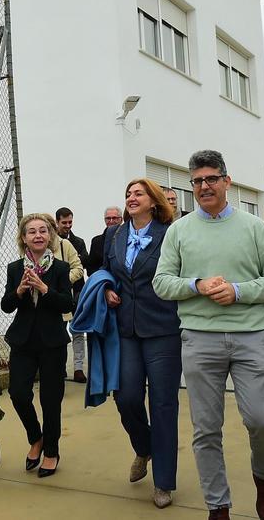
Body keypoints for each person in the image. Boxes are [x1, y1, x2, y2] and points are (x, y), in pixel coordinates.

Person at [153, 150, 264, 520]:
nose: (204, 186)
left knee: (263, 420)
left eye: (211, 178)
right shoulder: (179, 231)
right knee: (206, 428)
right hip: (199, 339)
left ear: (227, 181)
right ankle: (218, 505)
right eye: (197, 180)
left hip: (251, 336)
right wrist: (197, 285)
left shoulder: (254, 228)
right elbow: (162, 282)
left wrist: (239, 291)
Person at [101, 178, 180, 509]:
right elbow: (107, 269)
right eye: (128, 194)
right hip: (126, 328)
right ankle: (144, 447)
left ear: (153, 200)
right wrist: (106, 288)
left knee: (163, 405)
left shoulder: (170, 234)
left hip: (163, 327)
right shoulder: (116, 234)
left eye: (139, 193)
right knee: (126, 397)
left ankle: (163, 481)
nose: (131, 198)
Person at [3, 213, 75, 478]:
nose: (38, 235)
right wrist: (20, 290)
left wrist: (45, 289)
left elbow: (68, 305)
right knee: (18, 393)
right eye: (31, 232)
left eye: (43, 231)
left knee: (50, 399)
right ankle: (36, 437)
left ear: (50, 236)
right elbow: (6, 305)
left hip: (52, 341)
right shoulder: (14, 268)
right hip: (23, 340)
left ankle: (52, 451)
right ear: (24, 238)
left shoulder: (60, 269)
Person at [50, 211, 87, 382]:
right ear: (57, 222)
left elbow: (83, 264)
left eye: (70, 222)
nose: (67, 226)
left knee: (78, 329)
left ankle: (78, 368)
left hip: (77, 291)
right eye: (64, 222)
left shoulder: (77, 242)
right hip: (58, 295)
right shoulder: (49, 243)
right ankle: (60, 368)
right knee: (59, 330)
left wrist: (65, 280)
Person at [85, 205, 123, 275]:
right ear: (104, 220)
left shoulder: (128, 238)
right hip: (103, 281)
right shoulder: (96, 241)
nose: (111, 221)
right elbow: (90, 268)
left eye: (114, 218)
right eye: (108, 218)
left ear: (121, 219)